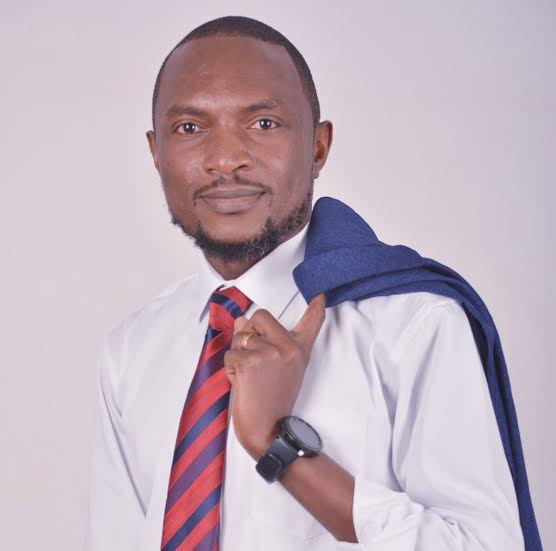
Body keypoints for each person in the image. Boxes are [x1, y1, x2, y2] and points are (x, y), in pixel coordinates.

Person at [85, 15, 528, 551]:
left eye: (263, 123)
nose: (225, 159)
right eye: (190, 129)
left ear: (318, 148)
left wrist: (279, 445)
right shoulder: (132, 349)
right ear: (156, 153)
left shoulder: (412, 324)